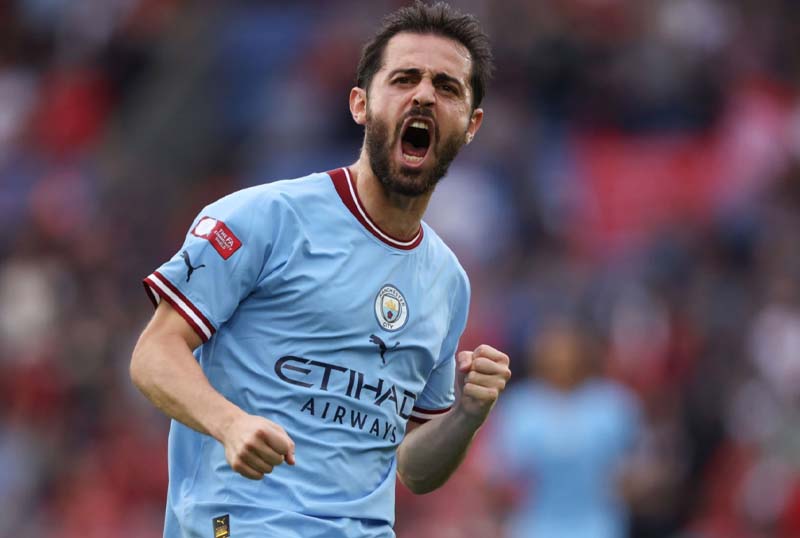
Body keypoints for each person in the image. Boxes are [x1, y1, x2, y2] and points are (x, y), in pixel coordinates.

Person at [129, 2, 511, 537]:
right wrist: (230, 423)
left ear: (471, 125)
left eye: (446, 87)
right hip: (243, 523)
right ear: (360, 104)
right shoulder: (263, 218)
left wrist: (468, 413)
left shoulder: (448, 283)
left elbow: (413, 468)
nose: (424, 95)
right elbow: (153, 353)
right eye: (404, 78)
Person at [491, 320, 642, 538]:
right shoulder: (519, 407)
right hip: (533, 526)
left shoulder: (613, 405)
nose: (561, 360)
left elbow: (632, 471)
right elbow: (500, 476)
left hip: (598, 525)